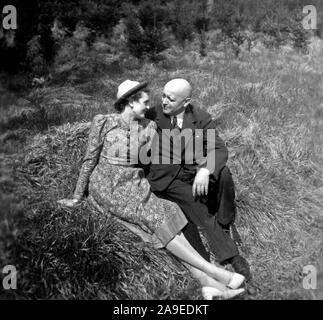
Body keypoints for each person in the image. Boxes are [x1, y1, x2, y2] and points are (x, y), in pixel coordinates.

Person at [58, 79, 245, 299]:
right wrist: (77, 197)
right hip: (115, 185)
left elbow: (193, 148)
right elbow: (90, 160)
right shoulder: (106, 122)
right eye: (147, 101)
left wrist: (202, 169)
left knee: (173, 210)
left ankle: (209, 281)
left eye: (168, 98)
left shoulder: (154, 125)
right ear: (130, 102)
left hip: (143, 182)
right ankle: (216, 274)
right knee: (160, 219)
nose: (153, 105)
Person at [145, 78, 254, 290]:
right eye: (163, 95)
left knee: (222, 173)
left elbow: (219, 149)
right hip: (168, 179)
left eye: (171, 98)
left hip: (192, 173)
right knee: (199, 210)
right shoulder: (155, 113)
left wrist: (205, 169)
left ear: (186, 102)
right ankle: (228, 260)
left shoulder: (199, 117)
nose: (164, 101)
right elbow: (128, 113)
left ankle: (226, 228)